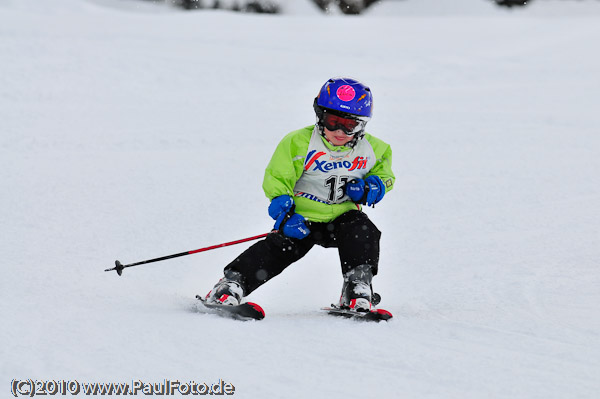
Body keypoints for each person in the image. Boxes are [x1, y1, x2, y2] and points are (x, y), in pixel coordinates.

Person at [204, 77, 395, 312]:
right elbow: (278, 179)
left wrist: (372, 187)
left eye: (349, 125)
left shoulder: (375, 149)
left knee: (363, 231)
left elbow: (385, 176)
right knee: (280, 248)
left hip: (342, 220)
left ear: (362, 125)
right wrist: (284, 211)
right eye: (332, 121)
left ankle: (357, 287)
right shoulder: (298, 143)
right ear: (319, 115)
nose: (339, 131)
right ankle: (232, 284)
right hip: (302, 219)